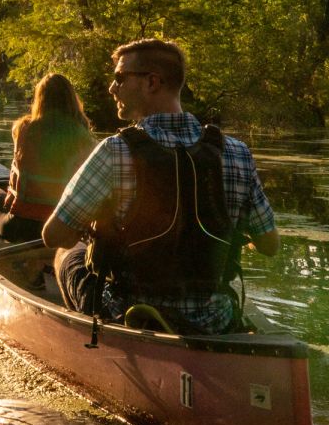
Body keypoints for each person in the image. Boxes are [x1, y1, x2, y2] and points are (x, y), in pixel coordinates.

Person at [41, 39, 280, 334]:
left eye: (119, 78)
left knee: (68, 253)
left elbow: (53, 234)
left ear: (152, 82)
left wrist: (94, 226)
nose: (112, 89)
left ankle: (82, 339)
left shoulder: (115, 151)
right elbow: (270, 245)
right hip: (214, 319)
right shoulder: (236, 152)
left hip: (129, 314)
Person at [0, 73, 95, 242]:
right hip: (62, 229)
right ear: (72, 100)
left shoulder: (23, 129)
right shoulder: (86, 138)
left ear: (40, 100)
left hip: (21, 228)